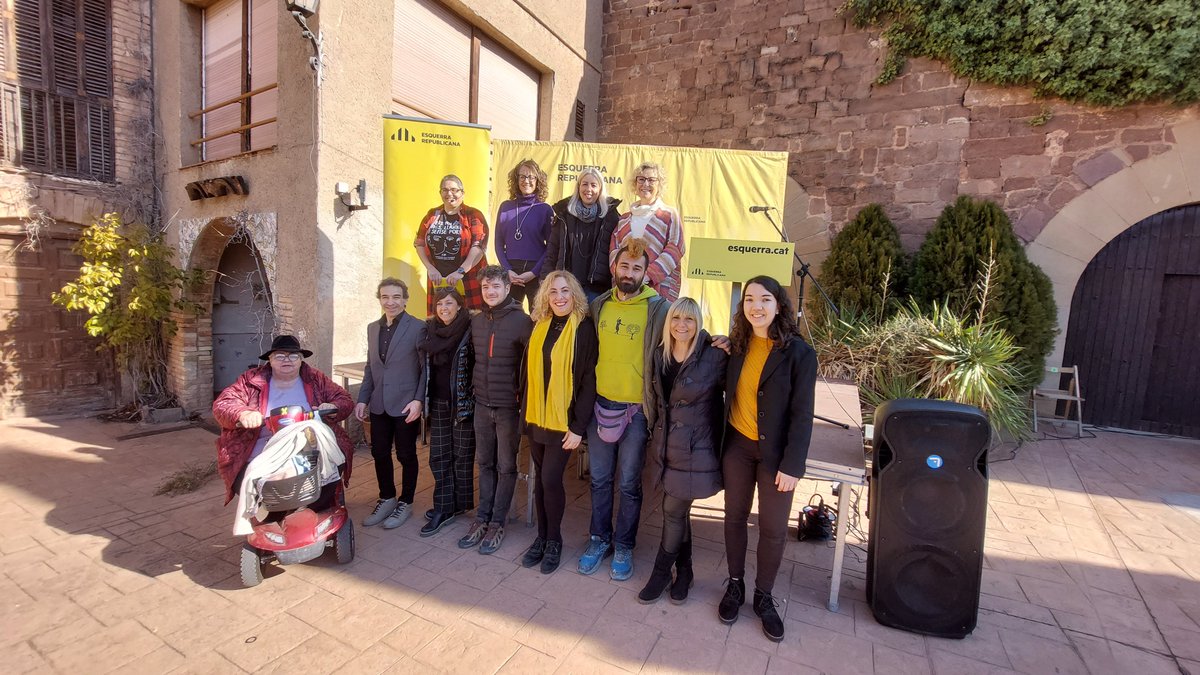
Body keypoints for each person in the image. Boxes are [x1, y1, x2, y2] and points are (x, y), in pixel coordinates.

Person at [718, 275, 817, 643]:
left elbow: (802, 414)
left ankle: (763, 595)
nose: (755, 306)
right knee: (735, 517)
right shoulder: (736, 346)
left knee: (774, 528)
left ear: (779, 305)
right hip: (738, 448)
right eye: (748, 300)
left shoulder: (800, 354)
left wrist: (793, 465)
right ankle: (735, 585)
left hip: (777, 457)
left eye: (764, 299)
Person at [578, 238, 670, 581]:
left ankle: (624, 544)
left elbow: (686, 334)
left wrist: (718, 341)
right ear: (614, 268)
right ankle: (598, 539)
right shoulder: (598, 306)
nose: (629, 273)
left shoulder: (658, 308)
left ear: (646, 273)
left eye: (637, 268)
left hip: (636, 412)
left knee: (629, 483)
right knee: (600, 480)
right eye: (624, 266)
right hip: (601, 406)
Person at [639, 297, 727, 605]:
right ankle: (685, 571)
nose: (682, 325)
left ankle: (661, 573)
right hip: (667, 448)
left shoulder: (714, 355)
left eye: (689, 319)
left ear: (699, 323)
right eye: (677, 318)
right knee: (680, 511)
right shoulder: (661, 354)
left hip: (697, 448)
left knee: (672, 510)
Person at [213, 335, 354, 506]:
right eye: (280, 356)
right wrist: (242, 413)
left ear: (301, 360)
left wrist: (333, 406)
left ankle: (316, 514)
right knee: (259, 483)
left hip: (308, 447)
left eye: (293, 356)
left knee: (329, 471)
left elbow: (345, 399)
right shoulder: (251, 381)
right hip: (263, 448)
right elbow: (223, 404)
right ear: (270, 360)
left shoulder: (315, 378)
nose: (287, 360)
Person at [520, 271, 597, 574]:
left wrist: (578, 426)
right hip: (537, 415)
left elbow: (589, 380)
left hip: (564, 420)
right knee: (540, 478)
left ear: (574, 294)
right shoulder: (539, 325)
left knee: (551, 479)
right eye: (553, 292)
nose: (559, 297)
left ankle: (554, 540)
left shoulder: (584, 328)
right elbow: (528, 371)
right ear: (545, 297)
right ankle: (541, 537)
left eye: (565, 291)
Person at [460, 265, 532, 555]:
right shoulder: (477, 321)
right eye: (486, 288)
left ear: (507, 288)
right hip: (481, 404)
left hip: (508, 409)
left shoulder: (522, 321)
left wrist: (522, 402)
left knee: (506, 466)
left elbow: (531, 368)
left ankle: (497, 521)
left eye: (496, 287)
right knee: (484, 463)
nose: (490, 292)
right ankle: (482, 517)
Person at [355, 279, 427, 530]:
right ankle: (386, 497)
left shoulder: (418, 327)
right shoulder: (372, 328)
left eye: (396, 297)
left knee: (406, 454)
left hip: (406, 403)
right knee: (379, 453)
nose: (391, 302)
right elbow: (370, 367)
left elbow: (424, 369)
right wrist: (363, 397)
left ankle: (405, 502)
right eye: (385, 297)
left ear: (405, 299)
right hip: (378, 403)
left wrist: (418, 400)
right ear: (380, 299)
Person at [418, 287, 475, 537]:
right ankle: (443, 507)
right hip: (439, 402)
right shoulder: (429, 331)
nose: (444, 308)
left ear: (460, 306)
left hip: (463, 402)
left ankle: (459, 504)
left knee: (462, 455)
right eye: (440, 304)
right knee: (440, 455)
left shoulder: (471, 329)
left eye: (449, 303)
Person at [609, 162, 685, 302]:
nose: (646, 184)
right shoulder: (624, 219)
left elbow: (676, 248)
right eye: (641, 179)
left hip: (658, 287)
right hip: (626, 287)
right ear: (635, 184)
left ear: (659, 184)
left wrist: (647, 275)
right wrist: (622, 274)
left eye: (651, 180)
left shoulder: (669, 214)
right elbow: (614, 250)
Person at [414, 174, 489, 315]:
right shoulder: (432, 215)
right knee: (440, 320)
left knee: (473, 320)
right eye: (445, 190)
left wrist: (460, 271)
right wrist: (430, 268)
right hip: (439, 280)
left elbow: (479, 247)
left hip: (468, 280)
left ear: (462, 193)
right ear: (440, 193)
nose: (449, 194)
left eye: (454, 190)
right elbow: (419, 243)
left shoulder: (473, 215)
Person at [545, 167, 621, 302]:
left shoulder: (611, 216)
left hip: (597, 289)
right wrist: (544, 282)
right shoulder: (564, 214)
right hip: (566, 286)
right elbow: (552, 251)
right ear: (578, 187)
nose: (589, 189)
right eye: (584, 184)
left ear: (600, 188)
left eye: (593, 185)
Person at [495, 159, 554, 309]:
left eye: (531, 177)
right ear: (516, 180)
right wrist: (508, 270)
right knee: (509, 315)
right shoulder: (505, 207)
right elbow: (498, 243)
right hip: (510, 271)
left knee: (538, 316)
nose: (526, 181)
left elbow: (551, 247)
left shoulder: (545, 209)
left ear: (538, 181)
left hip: (535, 271)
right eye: (522, 176)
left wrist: (533, 273)